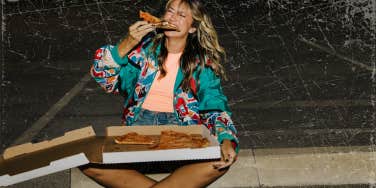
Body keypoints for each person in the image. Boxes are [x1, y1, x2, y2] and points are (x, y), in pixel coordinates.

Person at [82, 0, 239, 187]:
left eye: (181, 15)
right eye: (170, 11)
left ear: (192, 28)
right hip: (138, 134)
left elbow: (214, 105)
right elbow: (104, 78)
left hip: (182, 136)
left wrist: (226, 138)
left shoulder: (201, 63)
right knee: (86, 161)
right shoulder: (141, 51)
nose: (172, 17)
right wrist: (127, 43)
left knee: (218, 164)